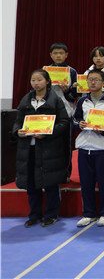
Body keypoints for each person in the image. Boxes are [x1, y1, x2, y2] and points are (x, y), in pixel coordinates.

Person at [13, 69, 70, 228]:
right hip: (28, 149)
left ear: (47, 81)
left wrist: (48, 133)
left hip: (49, 149)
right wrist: (17, 131)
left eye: (39, 80)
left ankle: (51, 215)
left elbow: (64, 122)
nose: (36, 83)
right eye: (33, 80)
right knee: (31, 184)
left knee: (51, 184)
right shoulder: (26, 99)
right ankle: (34, 215)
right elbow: (17, 121)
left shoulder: (55, 99)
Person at [72, 69, 104, 227]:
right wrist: (79, 124)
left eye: (96, 80)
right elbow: (75, 119)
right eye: (90, 80)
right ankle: (89, 213)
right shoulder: (82, 101)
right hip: (84, 146)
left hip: (103, 147)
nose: (93, 82)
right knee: (86, 183)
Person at [47, 42, 78, 181]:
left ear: (66, 55)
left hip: (66, 112)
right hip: (49, 112)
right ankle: (49, 173)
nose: (58, 56)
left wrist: (67, 91)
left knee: (66, 144)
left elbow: (74, 97)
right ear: (51, 55)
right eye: (55, 53)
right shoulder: (45, 71)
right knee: (50, 144)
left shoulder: (72, 72)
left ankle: (66, 173)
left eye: (61, 53)